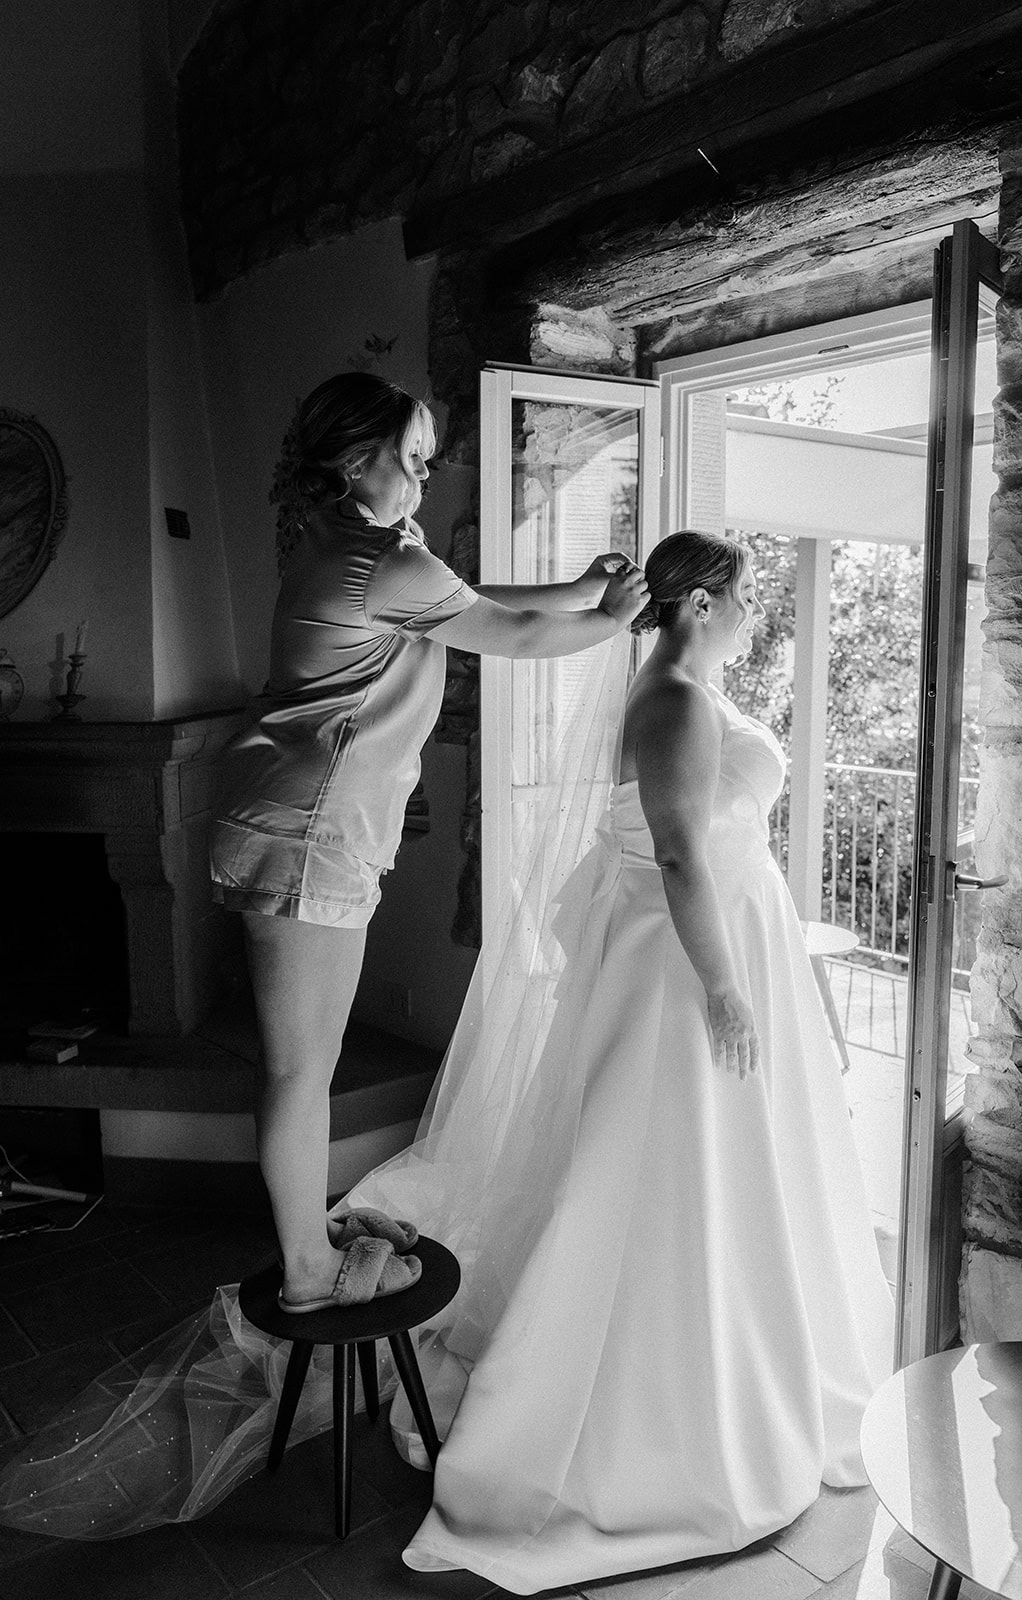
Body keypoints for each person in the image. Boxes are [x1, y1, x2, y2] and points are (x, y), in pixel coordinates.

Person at [338, 529, 895, 1594]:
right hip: (685, 965)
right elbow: (680, 851)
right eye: (740, 600)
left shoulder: (669, 684)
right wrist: (725, 989)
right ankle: (650, 1421)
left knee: (710, 1168)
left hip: (699, 943)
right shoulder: (676, 698)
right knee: (669, 1166)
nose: (750, 617)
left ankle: (728, 1359)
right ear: (696, 603)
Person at [208, 371, 649, 1313]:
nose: (422, 477)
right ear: (354, 457)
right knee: (301, 1066)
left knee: (298, 1062)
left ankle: (303, 1235)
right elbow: (512, 634)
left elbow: (463, 596)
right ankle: (307, 1272)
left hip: (299, 818)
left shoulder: (352, 542)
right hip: (309, 832)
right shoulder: (379, 561)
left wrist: (578, 586)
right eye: (411, 458)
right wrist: (607, 621)